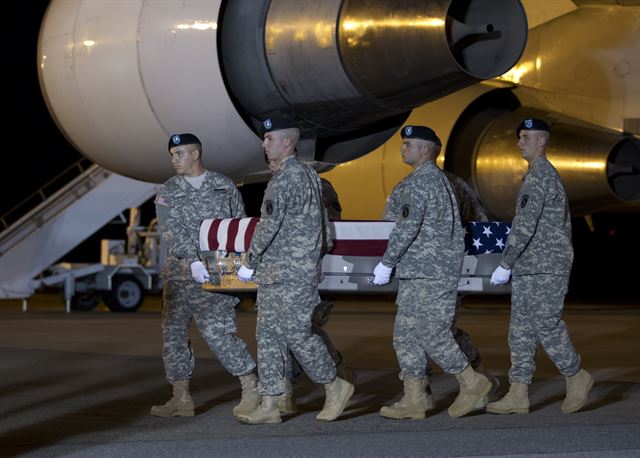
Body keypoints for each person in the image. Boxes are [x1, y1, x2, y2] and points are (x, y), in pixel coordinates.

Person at [235, 117, 354, 424]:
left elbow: (269, 225)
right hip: (282, 271)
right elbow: (323, 231)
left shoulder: (288, 177)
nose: (264, 144)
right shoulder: (306, 176)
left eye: (270, 138)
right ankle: (271, 403)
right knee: (268, 336)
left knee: (296, 333)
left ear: (288, 142)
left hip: (292, 272)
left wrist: (249, 262)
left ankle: (334, 385)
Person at [373, 125, 491, 420]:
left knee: (432, 333)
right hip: (417, 271)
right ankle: (416, 398)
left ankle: (473, 382)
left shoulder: (424, 182)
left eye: (409, 143)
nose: (403, 147)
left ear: (426, 150)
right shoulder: (421, 181)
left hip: (432, 272)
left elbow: (405, 227)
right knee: (405, 335)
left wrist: (386, 262)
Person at [487, 119, 593, 415]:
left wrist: (505, 263)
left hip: (546, 265)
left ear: (542, 141)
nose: (520, 142)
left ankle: (576, 375)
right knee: (520, 330)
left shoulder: (540, 176)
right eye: (519, 137)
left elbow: (524, 225)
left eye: (525, 137)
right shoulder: (534, 175)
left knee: (546, 324)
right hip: (530, 265)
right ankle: (518, 393)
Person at [151, 133, 259, 418]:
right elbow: (169, 230)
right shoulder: (167, 191)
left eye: (180, 153)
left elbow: (238, 226)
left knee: (218, 334)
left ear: (196, 154)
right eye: (172, 154)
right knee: (173, 336)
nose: (175, 159)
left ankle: (252, 389)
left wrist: (238, 268)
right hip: (179, 275)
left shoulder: (223, 186)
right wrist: (192, 260)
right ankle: (181, 399)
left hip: (215, 274)